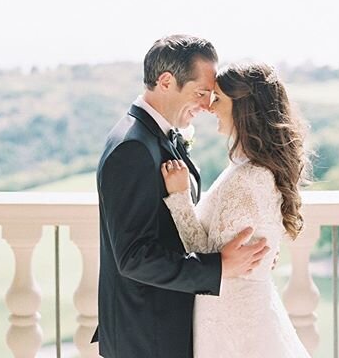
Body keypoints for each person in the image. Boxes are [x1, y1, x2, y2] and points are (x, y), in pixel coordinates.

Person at [93, 35, 270, 358]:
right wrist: (218, 268)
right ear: (165, 81)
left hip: (166, 327)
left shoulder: (156, 136)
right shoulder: (132, 148)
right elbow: (134, 257)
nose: (206, 105)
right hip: (149, 335)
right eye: (200, 93)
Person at [162, 62, 311, 358]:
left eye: (218, 99)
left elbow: (208, 257)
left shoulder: (245, 179)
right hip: (240, 311)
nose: (209, 107)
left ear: (244, 108)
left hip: (230, 320)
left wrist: (179, 198)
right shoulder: (252, 169)